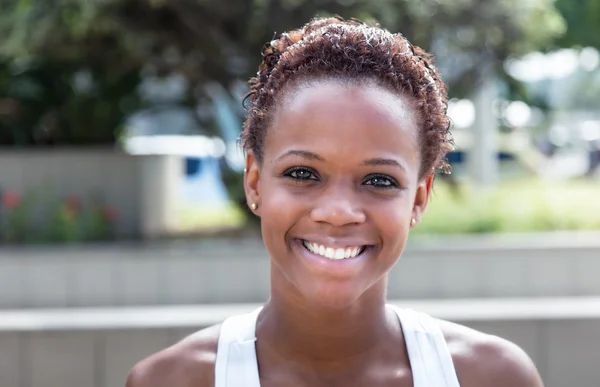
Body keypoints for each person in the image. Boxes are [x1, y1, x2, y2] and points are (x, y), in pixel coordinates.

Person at [126, 17, 544, 387]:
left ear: (419, 199)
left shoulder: (492, 377)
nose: (338, 211)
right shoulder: (173, 380)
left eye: (378, 180)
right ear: (254, 182)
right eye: (303, 174)